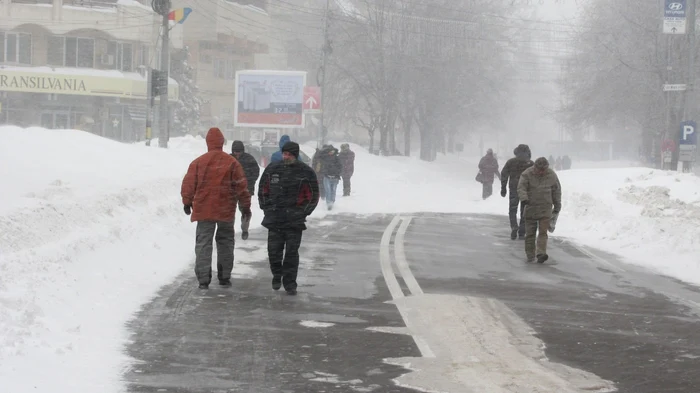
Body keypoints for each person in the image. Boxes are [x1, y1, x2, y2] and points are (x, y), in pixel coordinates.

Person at [181, 127, 252, 289]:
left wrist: (187, 201)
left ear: (208, 143)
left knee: (204, 243)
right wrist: (245, 207)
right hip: (225, 209)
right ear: (222, 143)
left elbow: (189, 184)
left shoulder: (198, 162)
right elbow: (241, 186)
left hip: (204, 209)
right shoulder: (232, 163)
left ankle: (203, 279)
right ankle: (224, 275)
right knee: (226, 242)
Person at [258, 141, 320, 295]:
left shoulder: (305, 172)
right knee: (274, 252)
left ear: (295, 155)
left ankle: (290, 282)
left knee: (292, 253)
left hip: (294, 221)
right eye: (284, 154)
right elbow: (263, 189)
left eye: (290, 154)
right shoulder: (273, 169)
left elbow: (312, 195)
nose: (286, 157)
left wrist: (303, 212)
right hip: (274, 218)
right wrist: (267, 208)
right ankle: (277, 275)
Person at [517, 157, 562, 264]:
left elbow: (557, 191)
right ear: (535, 167)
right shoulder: (527, 174)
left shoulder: (552, 175)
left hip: (545, 208)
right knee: (530, 233)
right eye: (540, 169)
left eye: (544, 169)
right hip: (530, 207)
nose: (542, 171)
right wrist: (524, 198)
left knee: (543, 232)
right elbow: (521, 187)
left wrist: (557, 205)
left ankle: (541, 253)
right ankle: (530, 254)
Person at [500, 144, 534, 240]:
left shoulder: (511, 162)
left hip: (514, 188)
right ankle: (522, 232)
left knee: (512, 209)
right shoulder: (530, 163)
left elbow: (504, 174)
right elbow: (536, 178)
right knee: (524, 211)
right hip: (526, 190)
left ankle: (514, 226)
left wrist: (503, 187)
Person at [231, 140, 261, 240]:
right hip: (231, 190)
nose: (237, 154)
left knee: (245, 210)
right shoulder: (228, 159)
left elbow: (256, 172)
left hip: (245, 190)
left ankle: (245, 229)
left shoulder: (249, 159)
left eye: (239, 151)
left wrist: (249, 183)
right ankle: (229, 229)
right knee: (229, 210)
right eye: (235, 151)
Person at [319, 145, 342, 210]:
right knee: (328, 190)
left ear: (334, 151)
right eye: (329, 151)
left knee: (333, 190)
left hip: (335, 178)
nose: (331, 152)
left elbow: (340, 167)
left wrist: (337, 173)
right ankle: (329, 204)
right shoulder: (325, 157)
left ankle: (332, 202)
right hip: (327, 177)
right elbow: (319, 155)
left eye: (332, 151)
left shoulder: (337, 158)